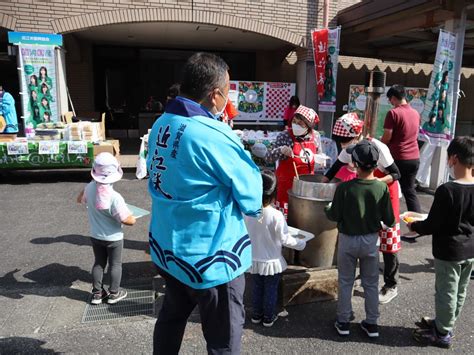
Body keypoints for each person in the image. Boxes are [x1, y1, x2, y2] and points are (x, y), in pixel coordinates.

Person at [148, 52, 262, 354]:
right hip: (211, 256)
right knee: (223, 339)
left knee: (171, 318)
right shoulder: (213, 134)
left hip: (168, 248)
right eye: (227, 93)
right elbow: (251, 196)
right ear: (214, 95)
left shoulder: (162, 122)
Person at [324, 113, 402, 304]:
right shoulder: (349, 148)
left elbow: (396, 173)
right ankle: (364, 275)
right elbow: (333, 170)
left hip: (385, 193)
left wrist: (375, 182)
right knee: (363, 237)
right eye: (340, 141)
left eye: (346, 140)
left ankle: (391, 284)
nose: (343, 144)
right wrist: (321, 186)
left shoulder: (378, 147)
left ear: (357, 134)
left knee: (388, 241)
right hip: (366, 195)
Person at [325, 140, 395, 338]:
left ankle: (343, 321)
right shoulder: (381, 188)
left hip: (347, 240)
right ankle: (372, 323)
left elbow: (334, 215)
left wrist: (328, 208)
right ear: (376, 164)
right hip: (371, 241)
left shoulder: (344, 188)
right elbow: (389, 219)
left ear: (354, 163)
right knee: (371, 283)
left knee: (346, 281)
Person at [409, 136, 473, 349]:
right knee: (460, 290)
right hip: (470, 249)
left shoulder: (447, 190)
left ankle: (442, 333)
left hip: (449, 251)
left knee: (446, 291)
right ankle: (446, 322)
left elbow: (433, 224)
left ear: (454, 158)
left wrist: (414, 225)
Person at [244, 170, 306, 328]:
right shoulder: (276, 215)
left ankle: (256, 315)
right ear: (274, 192)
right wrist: (301, 243)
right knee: (271, 290)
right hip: (272, 261)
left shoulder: (247, 212)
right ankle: (269, 317)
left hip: (254, 259)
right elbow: (285, 239)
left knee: (256, 288)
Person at [77, 153, 136, 305]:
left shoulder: (89, 187)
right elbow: (128, 220)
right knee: (115, 264)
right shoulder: (115, 197)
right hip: (114, 238)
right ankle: (114, 294)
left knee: (98, 263)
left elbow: (79, 199)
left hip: (96, 236)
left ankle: (97, 294)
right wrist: (133, 216)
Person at [265, 105, 320, 218]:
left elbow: (318, 157)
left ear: (308, 126)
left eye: (300, 123)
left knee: (303, 219)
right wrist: (280, 150)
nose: (296, 125)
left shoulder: (315, 137)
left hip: (307, 187)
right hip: (286, 187)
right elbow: (268, 158)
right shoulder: (285, 136)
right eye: (294, 121)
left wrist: (321, 160)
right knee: (285, 220)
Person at [382, 84, 421, 213]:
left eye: (390, 99)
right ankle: (416, 225)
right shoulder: (415, 113)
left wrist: (380, 145)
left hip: (398, 157)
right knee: (409, 190)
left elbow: (387, 136)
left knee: (387, 186)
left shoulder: (393, 113)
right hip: (414, 157)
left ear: (393, 98)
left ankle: (387, 218)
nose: (390, 102)